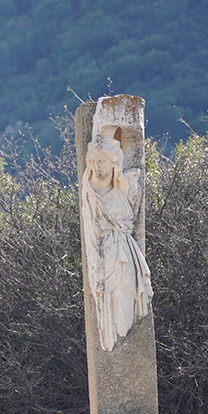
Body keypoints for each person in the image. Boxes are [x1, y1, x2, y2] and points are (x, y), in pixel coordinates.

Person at [81, 126, 152, 351]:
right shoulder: (89, 192)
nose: (95, 166)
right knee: (112, 317)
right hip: (104, 262)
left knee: (128, 310)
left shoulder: (127, 186)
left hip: (126, 258)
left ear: (114, 163)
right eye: (93, 161)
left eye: (101, 161)